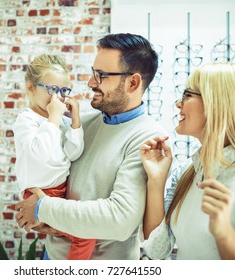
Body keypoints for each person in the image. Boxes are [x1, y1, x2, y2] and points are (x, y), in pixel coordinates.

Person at [15, 33, 166, 260]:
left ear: (133, 83)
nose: (90, 83)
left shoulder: (148, 140)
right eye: (93, 73)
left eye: (101, 75)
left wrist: (42, 207)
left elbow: (119, 220)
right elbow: (42, 172)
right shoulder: (80, 124)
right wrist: (39, 212)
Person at [141, 62, 235, 260]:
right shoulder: (186, 172)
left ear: (216, 103)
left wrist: (224, 233)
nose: (178, 104)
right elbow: (155, 250)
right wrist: (156, 181)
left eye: (187, 95)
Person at [12, 54, 96, 260]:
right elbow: (40, 153)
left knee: (79, 233)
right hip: (40, 194)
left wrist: (74, 121)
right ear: (31, 88)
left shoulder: (61, 121)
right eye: (51, 90)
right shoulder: (27, 120)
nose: (57, 97)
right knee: (85, 236)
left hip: (59, 193)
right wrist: (54, 118)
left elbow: (73, 153)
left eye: (63, 90)